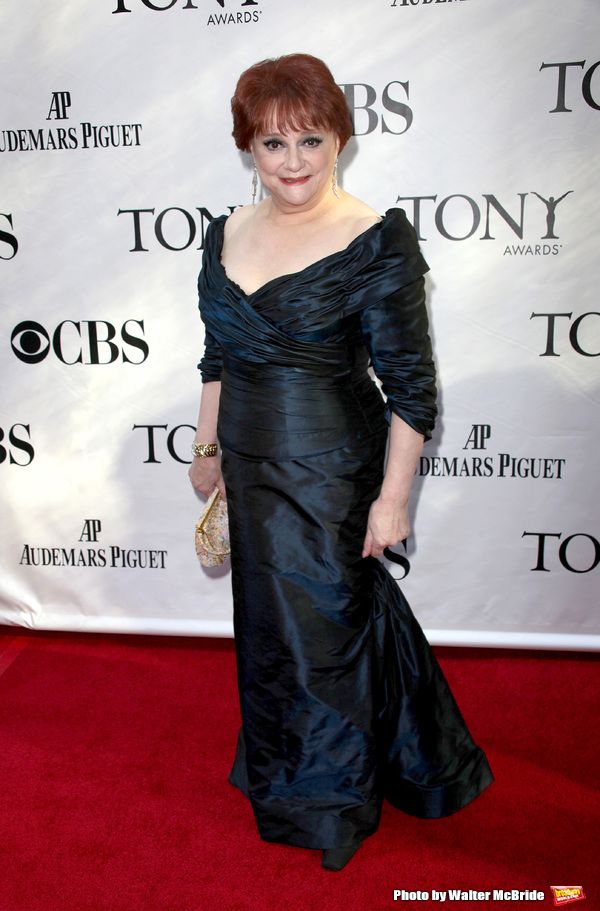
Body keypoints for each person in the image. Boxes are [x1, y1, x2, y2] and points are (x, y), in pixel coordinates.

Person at [189, 53, 493, 872]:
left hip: (333, 468)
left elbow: (412, 387)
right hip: (251, 461)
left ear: (342, 139)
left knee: (326, 631)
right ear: (246, 147)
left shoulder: (374, 240)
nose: (292, 163)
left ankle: (326, 798)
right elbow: (218, 350)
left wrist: (394, 500)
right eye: (272, 144)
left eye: (310, 140)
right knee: (268, 627)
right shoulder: (225, 232)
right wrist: (209, 444)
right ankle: (291, 762)